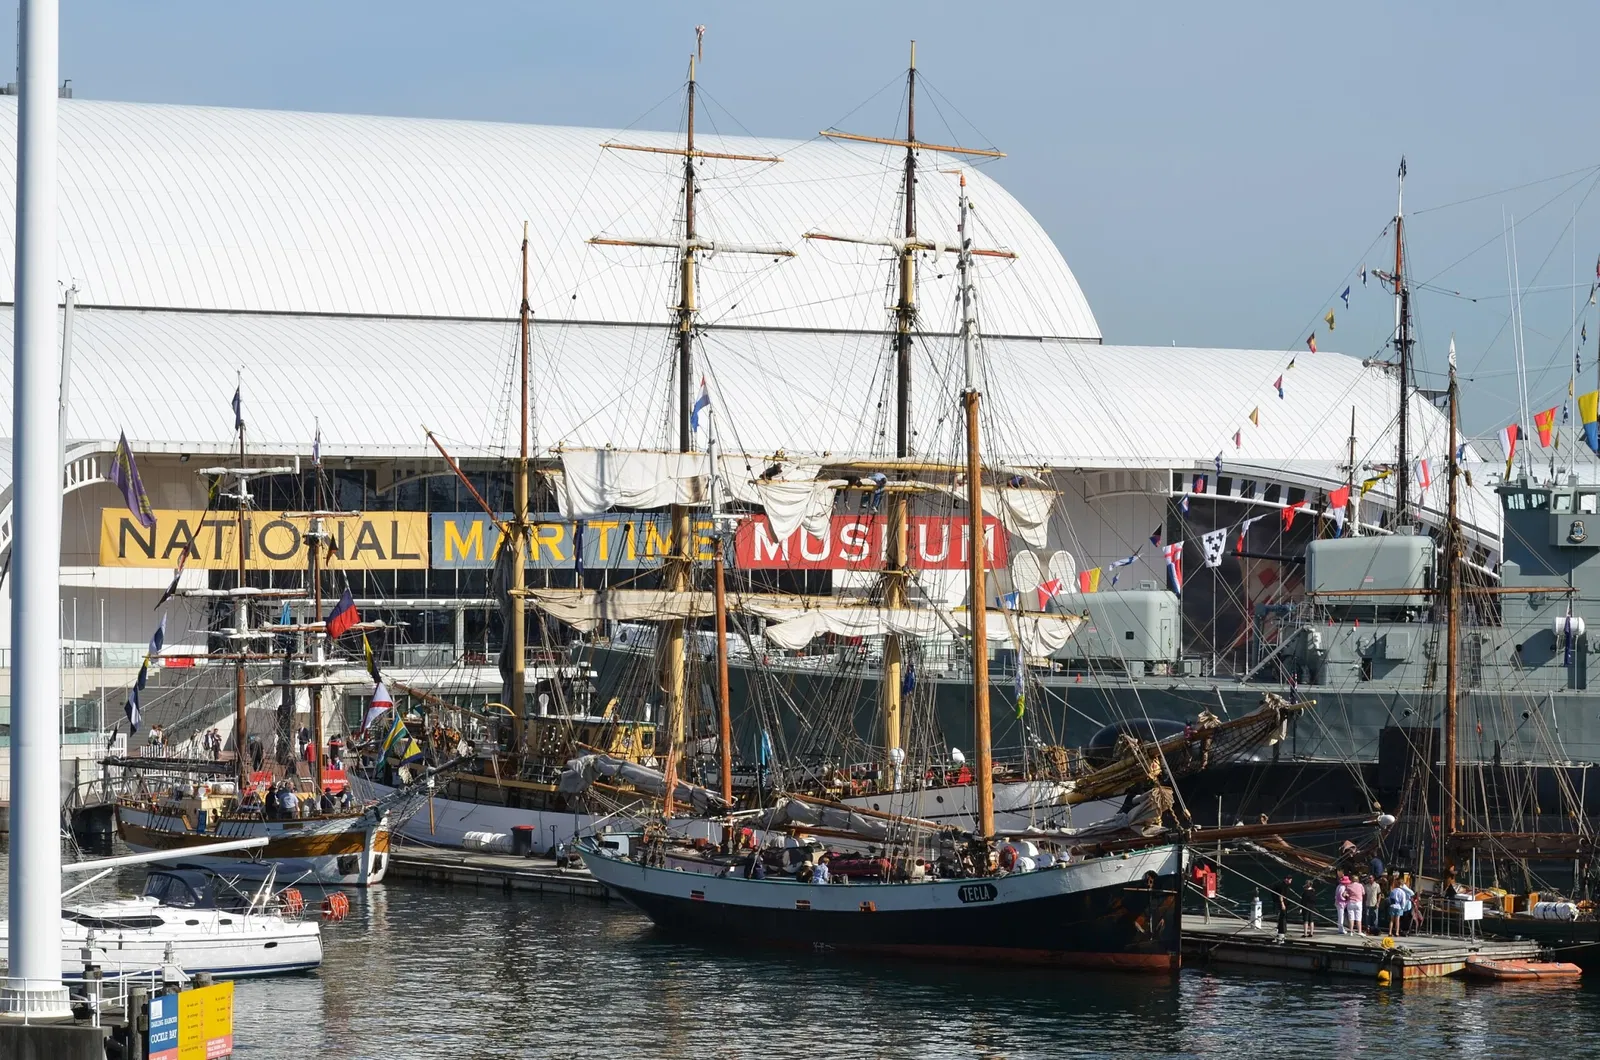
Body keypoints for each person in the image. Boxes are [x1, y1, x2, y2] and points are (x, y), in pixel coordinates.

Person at [1274, 875, 1292, 943]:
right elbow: (1280, 895)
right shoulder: (1282, 886)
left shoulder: (1286, 886)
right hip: (1283, 904)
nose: (1290, 881)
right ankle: (1281, 931)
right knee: (1282, 917)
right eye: (1290, 880)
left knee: (1284, 917)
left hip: (1286, 903)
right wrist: (1282, 904)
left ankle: (1283, 930)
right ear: (1286, 879)